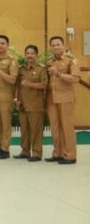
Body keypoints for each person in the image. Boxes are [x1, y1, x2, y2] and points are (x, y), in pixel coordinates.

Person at [45, 36, 81, 164]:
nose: (55, 47)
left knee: (67, 127)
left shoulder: (72, 60)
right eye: (53, 45)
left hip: (65, 98)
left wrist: (59, 74)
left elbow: (76, 79)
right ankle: (58, 153)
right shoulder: (49, 62)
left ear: (63, 46)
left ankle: (70, 156)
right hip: (51, 99)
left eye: (58, 44)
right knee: (55, 128)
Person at [14, 45, 47, 162]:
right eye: (27, 53)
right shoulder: (21, 69)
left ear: (36, 55)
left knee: (36, 131)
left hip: (35, 105)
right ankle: (25, 151)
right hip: (23, 104)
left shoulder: (41, 69)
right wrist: (16, 99)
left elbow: (44, 85)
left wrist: (30, 84)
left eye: (32, 53)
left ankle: (37, 153)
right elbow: (17, 85)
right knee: (24, 130)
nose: (29, 56)